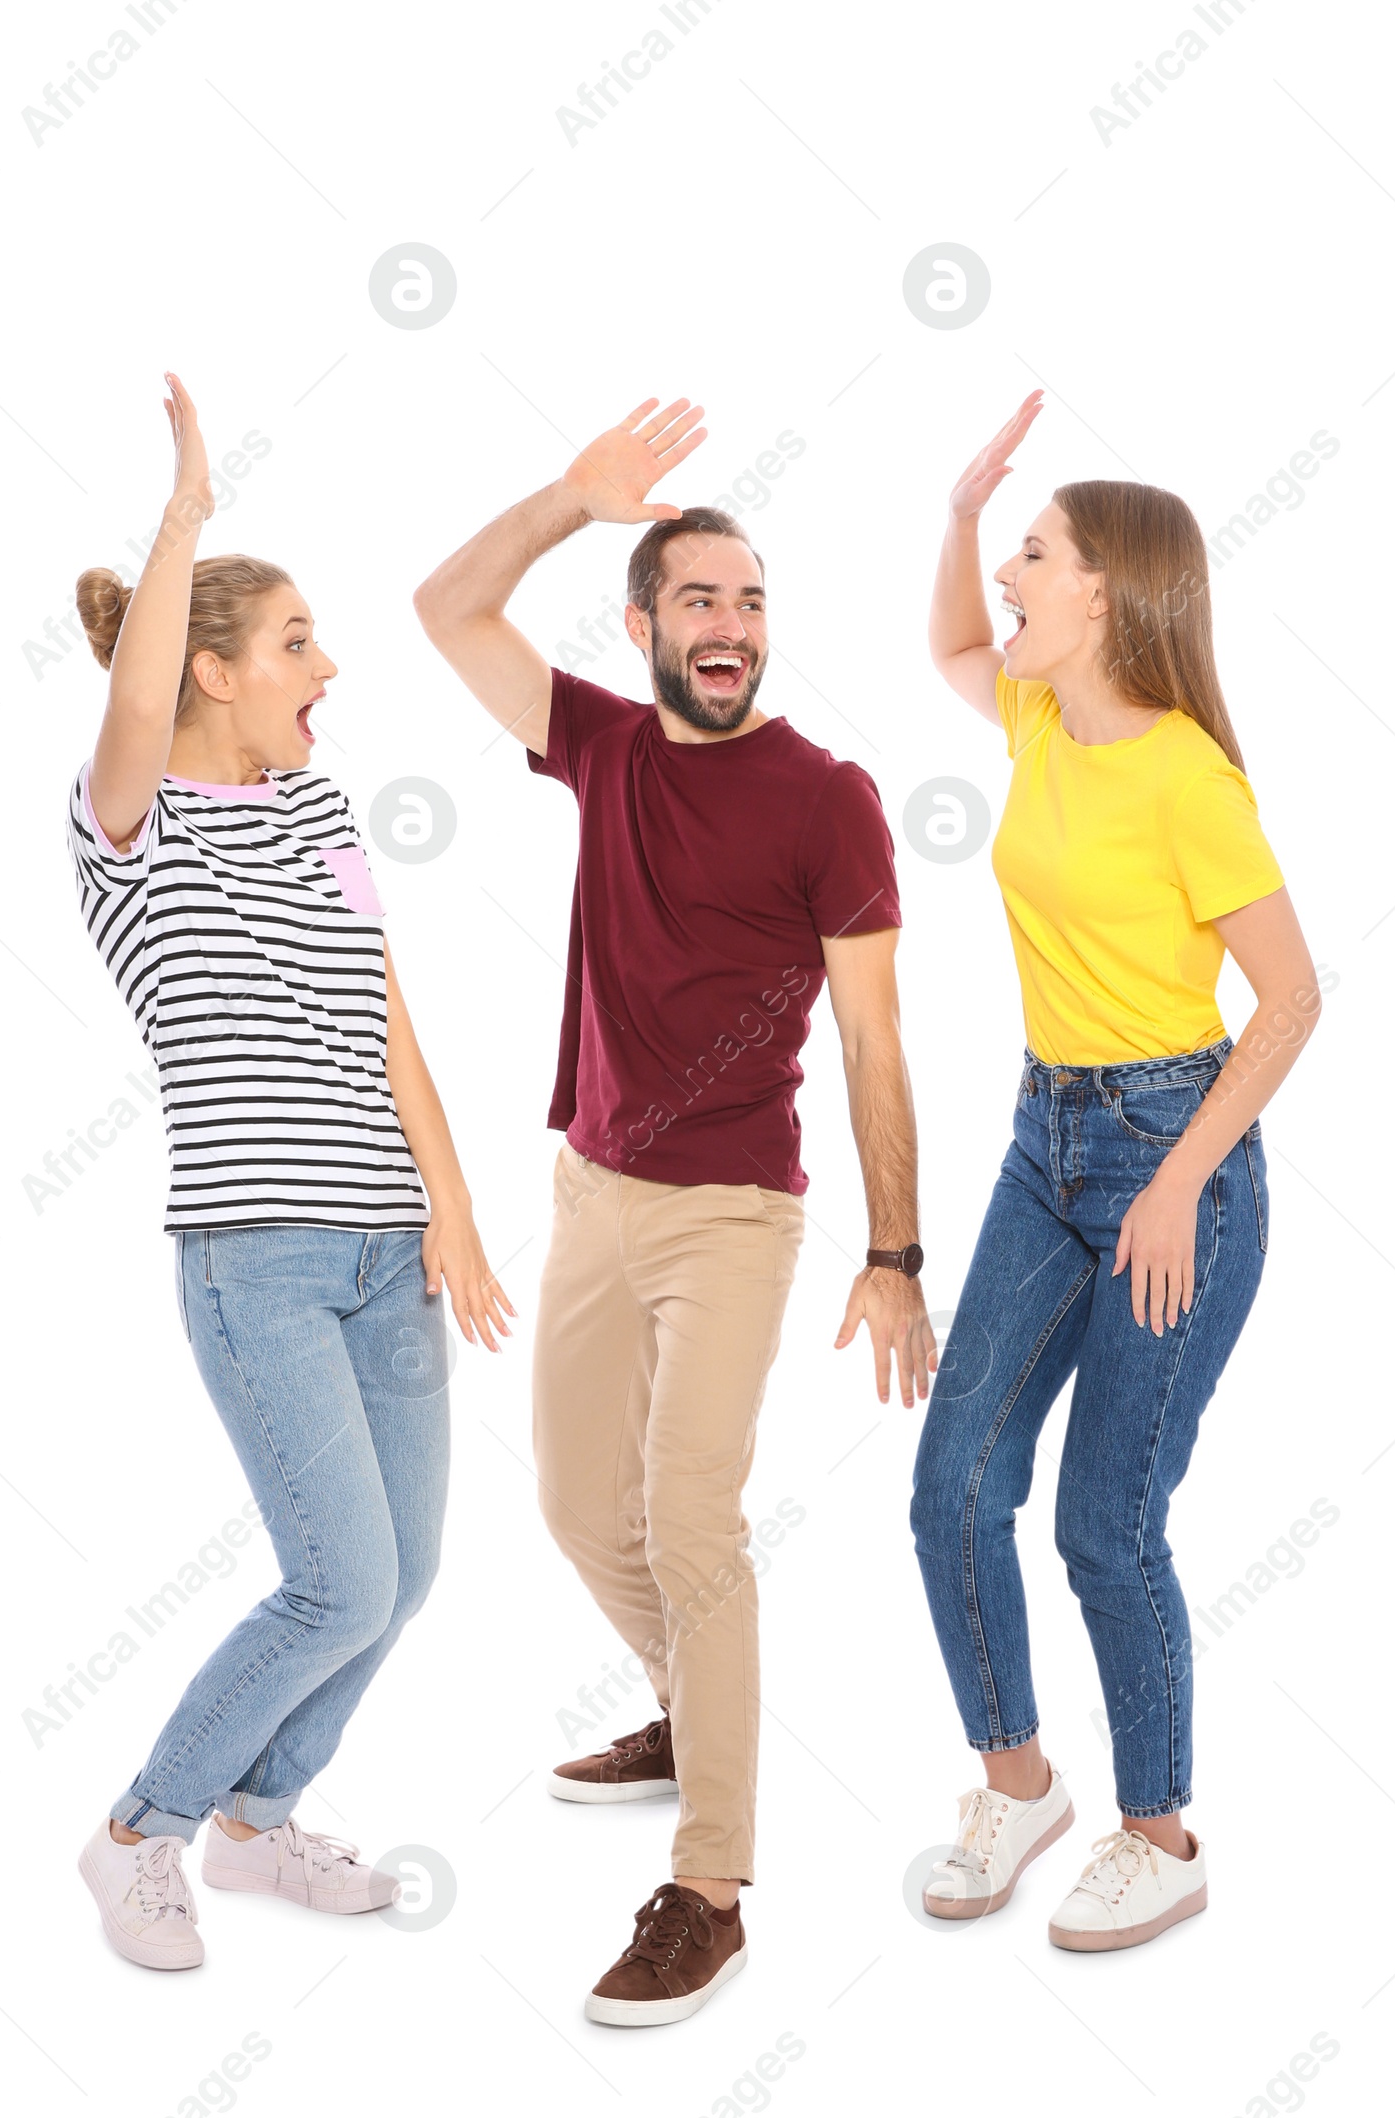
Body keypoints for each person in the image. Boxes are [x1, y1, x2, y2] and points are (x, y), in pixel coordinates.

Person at [415, 396, 937, 2024]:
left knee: (693, 1516)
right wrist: (572, 499)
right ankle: (682, 1704)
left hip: (731, 1213)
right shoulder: (603, 742)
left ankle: (709, 1887)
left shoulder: (826, 798)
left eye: (754, 600)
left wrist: (897, 1253)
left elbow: (874, 1038)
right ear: (643, 630)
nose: (733, 626)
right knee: (582, 1509)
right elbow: (444, 609)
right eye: (701, 600)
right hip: (591, 1189)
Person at [70, 376, 512, 1971]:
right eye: (300, 642)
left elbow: (385, 1015)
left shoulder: (321, 803)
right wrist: (187, 512)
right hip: (252, 1256)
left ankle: (261, 1820)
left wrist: (451, 1213)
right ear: (211, 670)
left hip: (388, 1245)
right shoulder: (130, 826)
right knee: (337, 1584)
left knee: (405, 1579)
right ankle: (140, 1833)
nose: (332, 666)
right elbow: (130, 718)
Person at [911, 389, 1319, 1949]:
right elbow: (954, 648)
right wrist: (958, 516)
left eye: (1035, 552)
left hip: (1177, 1163)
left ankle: (1161, 1831)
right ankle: (1019, 1786)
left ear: (1107, 592)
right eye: (1013, 551)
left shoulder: (1190, 779)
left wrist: (1173, 1184)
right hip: (1043, 1143)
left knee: (1104, 1523)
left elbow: (1290, 1001)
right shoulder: (1034, 712)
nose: (1012, 576)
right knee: (952, 1487)